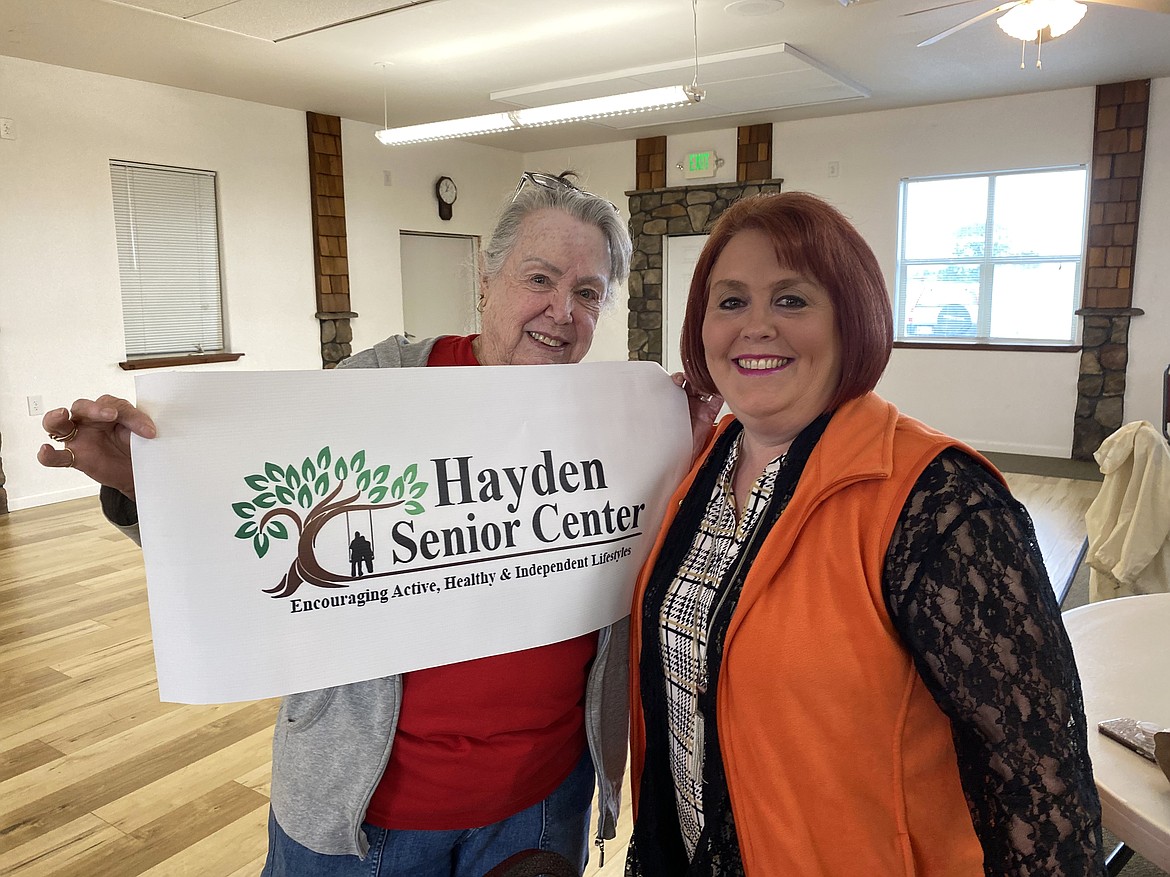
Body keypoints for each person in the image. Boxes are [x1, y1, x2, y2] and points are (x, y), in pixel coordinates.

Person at [37, 172, 648, 877]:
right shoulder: (379, 382)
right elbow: (253, 517)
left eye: (588, 292)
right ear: (486, 281)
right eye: (540, 277)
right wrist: (139, 479)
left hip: (539, 807)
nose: (561, 310)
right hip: (366, 814)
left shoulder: (614, 422)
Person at [625, 192, 1106, 876]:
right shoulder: (701, 466)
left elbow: (1039, 781)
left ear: (851, 318)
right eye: (730, 302)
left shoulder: (941, 504)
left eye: (791, 299)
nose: (755, 325)